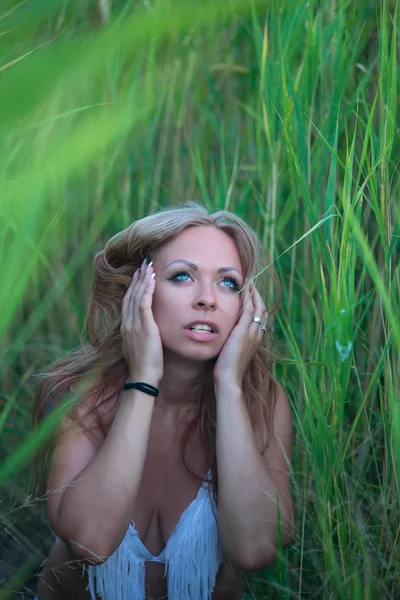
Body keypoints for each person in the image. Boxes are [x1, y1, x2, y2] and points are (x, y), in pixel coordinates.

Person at [32, 201, 294, 600]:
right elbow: (91, 543)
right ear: (139, 291)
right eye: (182, 276)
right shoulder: (83, 394)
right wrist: (142, 381)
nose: (207, 299)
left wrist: (229, 386)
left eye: (228, 283)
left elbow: (255, 550)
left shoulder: (262, 401)